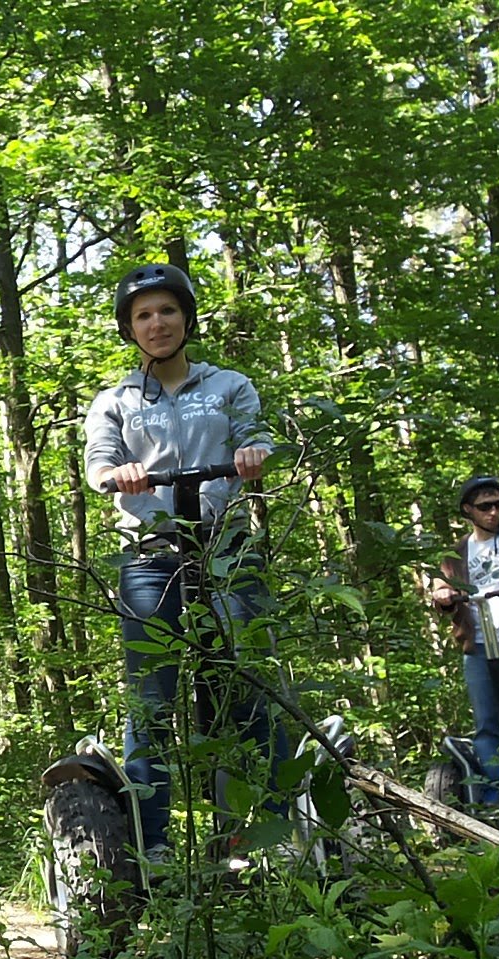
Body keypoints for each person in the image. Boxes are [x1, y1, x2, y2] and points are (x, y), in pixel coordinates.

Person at [83, 262, 284, 864]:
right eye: (143, 315)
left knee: (243, 692)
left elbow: (259, 436)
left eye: (167, 310)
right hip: (152, 558)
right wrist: (117, 475)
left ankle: (256, 838)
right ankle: (154, 845)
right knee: (152, 703)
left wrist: (253, 453)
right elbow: (98, 463)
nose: (157, 323)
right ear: (130, 328)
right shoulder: (116, 400)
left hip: (227, 553)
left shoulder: (228, 385)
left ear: (186, 318)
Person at [430, 476, 499, 806]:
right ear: (467, 511)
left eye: (498, 505)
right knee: (487, 725)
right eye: (484, 507)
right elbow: (439, 590)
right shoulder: (456, 554)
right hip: (479, 647)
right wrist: (443, 594)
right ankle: (497, 799)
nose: (493, 512)